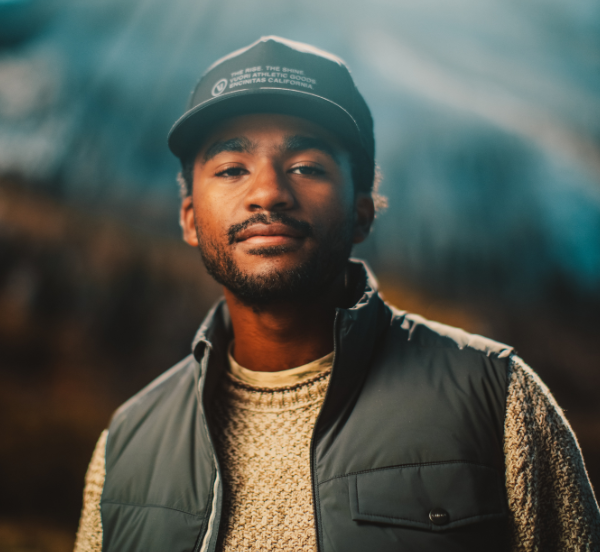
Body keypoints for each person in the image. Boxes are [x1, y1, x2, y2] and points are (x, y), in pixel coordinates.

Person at [74, 36, 600, 552]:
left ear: (362, 212)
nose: (268, 193)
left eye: (306, 167)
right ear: (190, 219)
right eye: (232, 169)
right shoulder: (127, 444)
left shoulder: (497, 399)